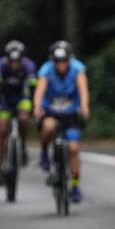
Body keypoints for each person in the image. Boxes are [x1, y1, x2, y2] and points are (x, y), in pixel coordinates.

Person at [33, 40, 90, 203]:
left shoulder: (78, 69)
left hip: (71, 111)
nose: (61, 65)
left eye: (64, 61)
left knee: (73, 148)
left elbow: (83, 89)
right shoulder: (46, 70)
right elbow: (40, 90)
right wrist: (37, 106)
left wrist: (84, 106)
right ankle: (44, 152)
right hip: (51, 109)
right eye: (58, 62)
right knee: (48, 127)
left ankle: (76, 186)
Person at [0, 40, 37, 186]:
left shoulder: (29, 66)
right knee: (2, 130)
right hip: (5, 100)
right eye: (12, 61)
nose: (15, 64)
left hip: (22, 98)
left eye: (18, 61)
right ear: (7, 59)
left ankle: (22, 145)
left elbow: (34, 90)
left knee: (23, 119)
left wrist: (34, 109)